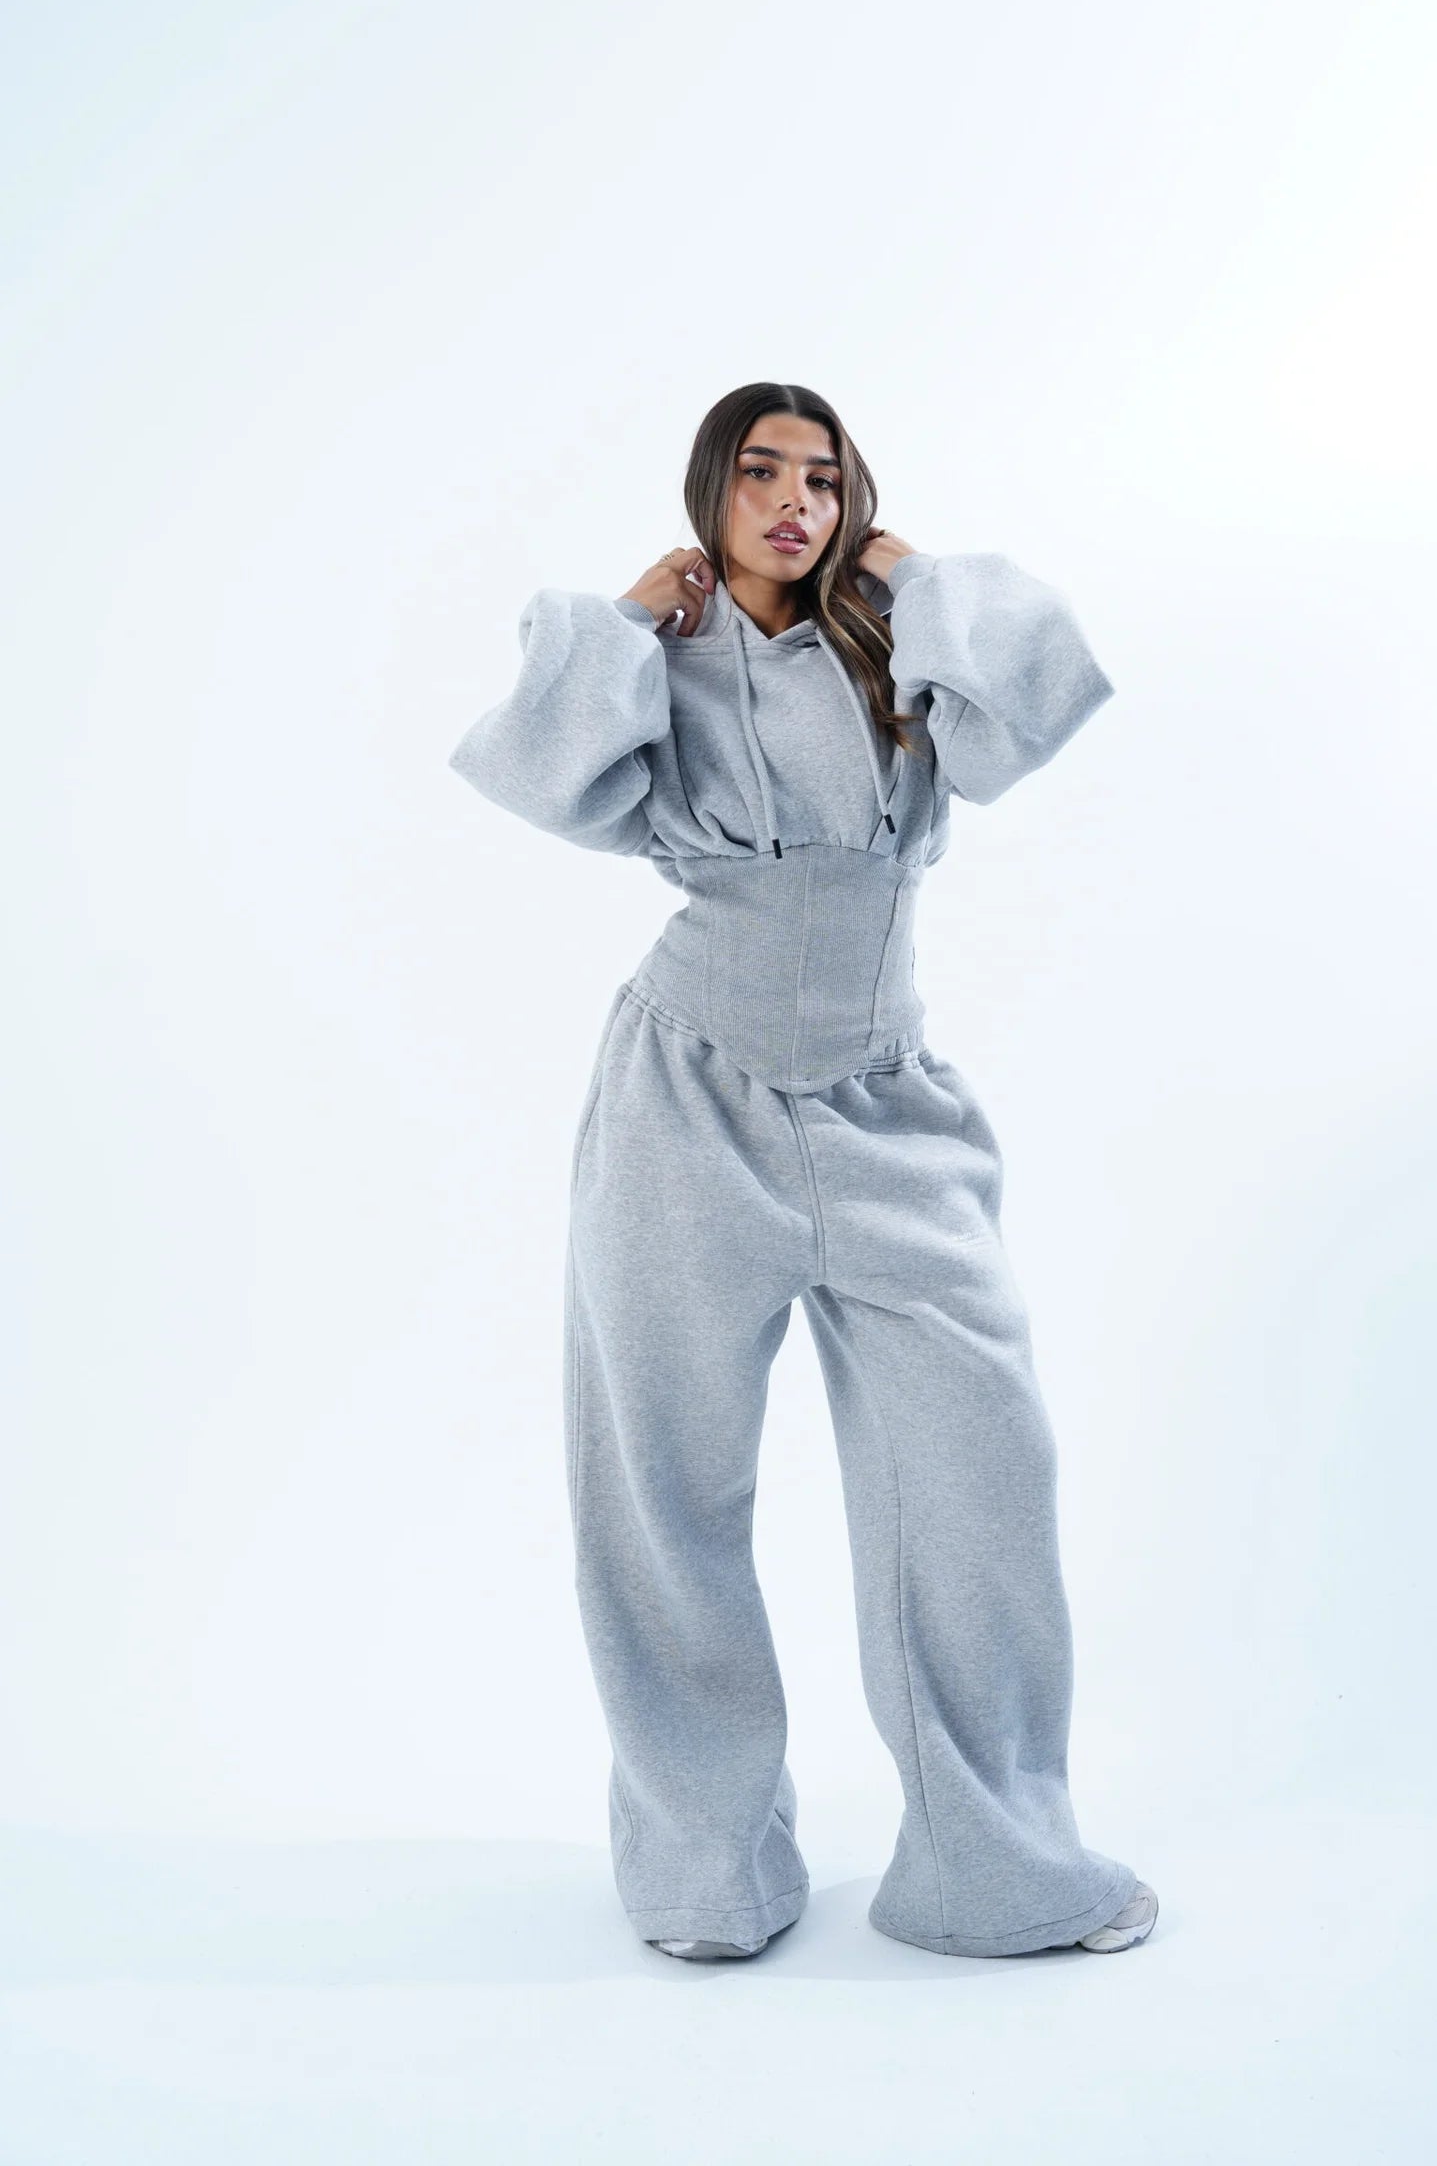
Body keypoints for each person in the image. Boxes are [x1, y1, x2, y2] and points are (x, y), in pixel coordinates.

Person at [447, 380, 1158, 1964]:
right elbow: (538, 772)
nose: (794, 503)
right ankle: (705, 1870)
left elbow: (1036, 703)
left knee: (979, 1475)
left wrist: (906, 571)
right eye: (760, 473)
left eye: (823, 480)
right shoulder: (657, 662)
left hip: (890, 1107)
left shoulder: (900, 645)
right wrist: (628, 614)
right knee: (663, 1492)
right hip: (683, 1103)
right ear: (709, 490)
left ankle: (994, 1865)